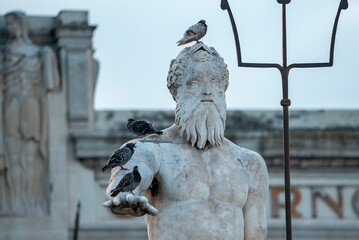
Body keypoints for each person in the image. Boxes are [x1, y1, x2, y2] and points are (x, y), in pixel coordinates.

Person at [104, 43, 268, 239]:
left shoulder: (250, 163)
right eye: (195, 83)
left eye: (215, 83)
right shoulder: (153, 149)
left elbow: (256, 232)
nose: (207, 91)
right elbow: (133, 169)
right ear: (175, 92)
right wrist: (126, 196)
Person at [0, 11, 60, 215]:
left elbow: (52, 86)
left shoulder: (40, 53)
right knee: (12, 155)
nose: (11, 29)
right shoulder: (4, 55)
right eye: (8, 25)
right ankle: (15, 202)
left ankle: (33, 202)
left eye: (13, 24)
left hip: (32, 106)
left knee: (30, 155)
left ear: (22, 25)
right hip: (11, 106)